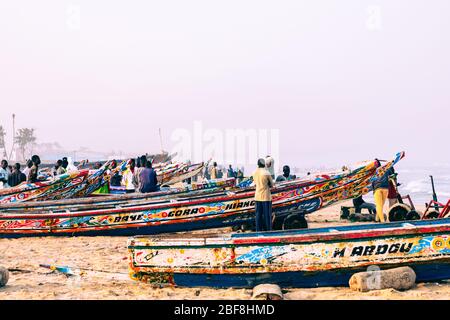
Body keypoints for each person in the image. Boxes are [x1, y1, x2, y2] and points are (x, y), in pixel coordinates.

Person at [253, 158, 274, 231]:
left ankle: (258, 232)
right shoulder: (266, 173)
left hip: (257, 196)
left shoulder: (254, 172)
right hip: (266, 197)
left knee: (258, 216)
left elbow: (255, 184)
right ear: (264, 164)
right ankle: (268, 232)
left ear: (258, 164)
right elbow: (272, 185)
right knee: (267, 216)